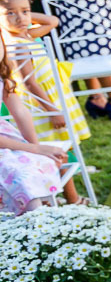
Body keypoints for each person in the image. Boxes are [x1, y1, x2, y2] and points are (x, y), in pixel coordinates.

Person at [0, 0, 89, 206]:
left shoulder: (24, 36)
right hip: (42, 104)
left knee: (59, 150)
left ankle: (60, 197)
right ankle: (69, 198)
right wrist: (51, 109)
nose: (20, 18)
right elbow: (30, 83)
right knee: (58, 148)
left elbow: (52, 21)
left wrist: (21, 11)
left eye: (25, 11)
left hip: (47, 102)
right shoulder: (16, 45)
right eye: (10, 13)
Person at [0, 34, 67, 213]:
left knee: (37, 163)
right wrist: (37, 150)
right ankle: (32, 225)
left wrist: (37, 147)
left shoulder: (2, 76)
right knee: (20, 175)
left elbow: (21, 112)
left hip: (6, 139)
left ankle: (41, 217)